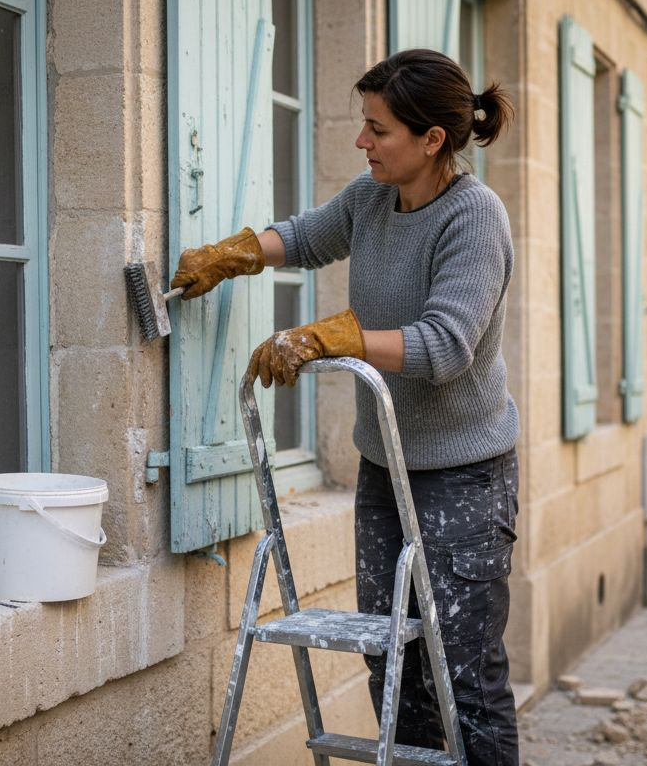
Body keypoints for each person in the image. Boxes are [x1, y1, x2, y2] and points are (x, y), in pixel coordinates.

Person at [173, 49, 520, 765]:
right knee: (396, 669)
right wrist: (233, 253)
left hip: (464, 481)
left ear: (432, 141)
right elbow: (305, 238)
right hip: (384, 473)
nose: (362, 141)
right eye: (364, 124)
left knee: (464, 681)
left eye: (378, 129)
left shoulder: (475, 219)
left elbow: (447, 345)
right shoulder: (370, 200)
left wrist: (333, 336)